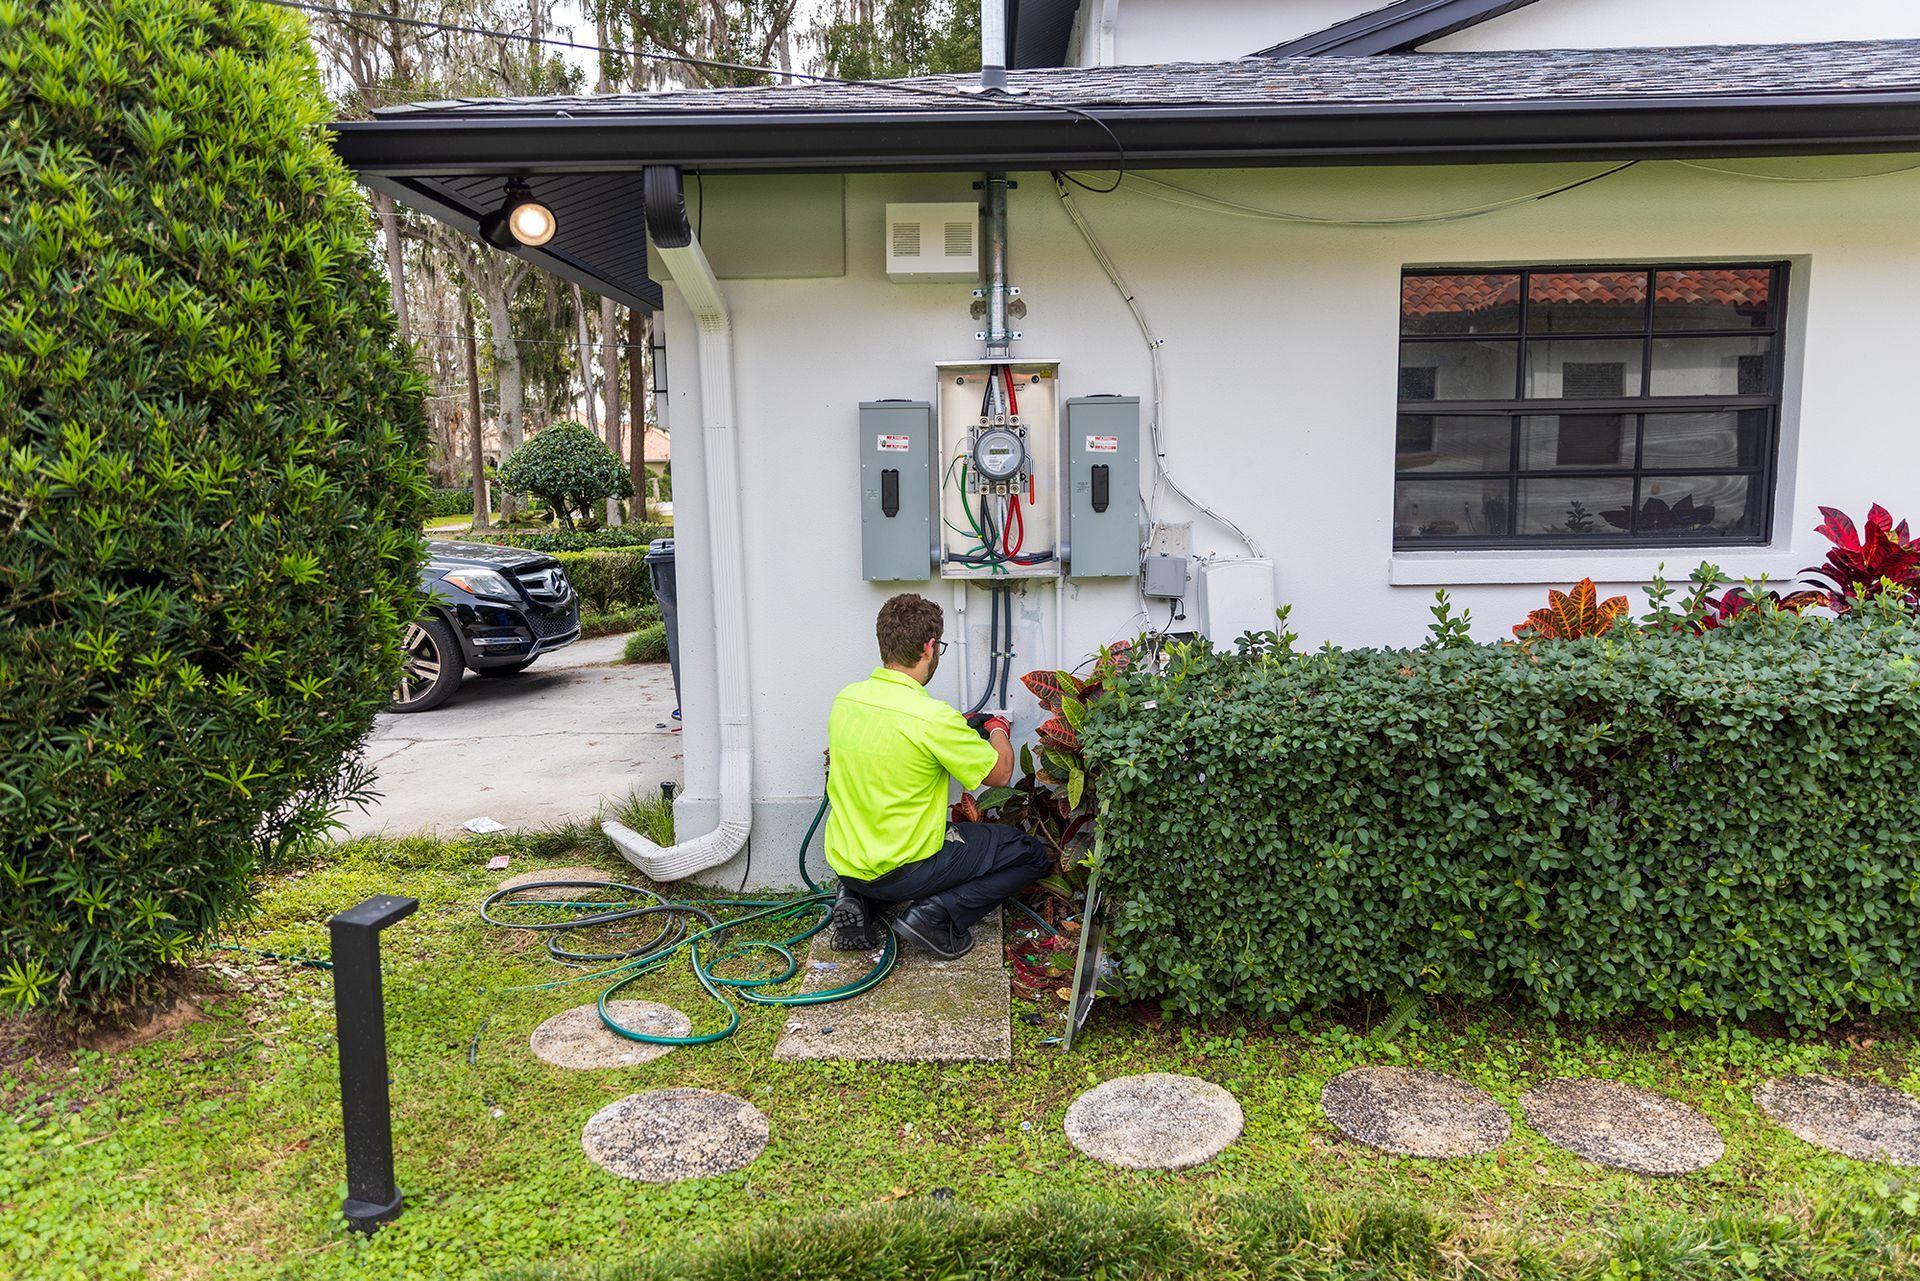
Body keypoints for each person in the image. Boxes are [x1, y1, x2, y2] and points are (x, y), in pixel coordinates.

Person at [823, 593, 1050, 960]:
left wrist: (954, 731)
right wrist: (997, 729)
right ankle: (934, 916)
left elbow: (896, 744)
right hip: (905, 870)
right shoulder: (931, 717)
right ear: (930, 648)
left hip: (848, 863)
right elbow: (1001, 773)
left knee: (874, 872)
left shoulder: (846, 700)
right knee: (1028, 853)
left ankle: (855, 897)